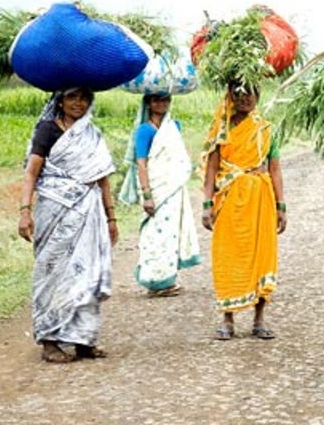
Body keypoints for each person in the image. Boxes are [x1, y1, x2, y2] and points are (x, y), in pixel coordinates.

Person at [17, 87, 117, 363]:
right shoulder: (47, 130)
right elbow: (31, 172)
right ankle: (50, 340)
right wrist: (25, 211)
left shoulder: (91, 135)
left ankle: (84, 340)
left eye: (84, 97)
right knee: (53, 272)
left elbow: (102, 178)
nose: (78, 103)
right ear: (60, 100)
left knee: (86, 274)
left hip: (89, 210)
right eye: (72, 97)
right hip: (54, 210)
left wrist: (111, 217)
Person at [201, 81, 287, 341]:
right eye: (238, 93)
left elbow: (275, 169)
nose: (245, 98)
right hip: (229, 197)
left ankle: (259, 319)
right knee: (228, 254)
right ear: (230, 97)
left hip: (261, 198)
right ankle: (227, 320)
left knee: (262, 254)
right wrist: (207, 205)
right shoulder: (221, 129)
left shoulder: (265, 130)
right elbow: (211, 170)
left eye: (250, 93)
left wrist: (281, 205)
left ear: (258, 96)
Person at [119, 92, 201, 297]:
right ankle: (154, 280)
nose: (161, 103)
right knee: (155, 235)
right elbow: (141, 162)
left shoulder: (174, 127)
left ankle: (167, 279)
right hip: (156, 188)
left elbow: (178, 158)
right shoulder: (144, 130)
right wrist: (146, 194)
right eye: (156, 100)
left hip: (172, 188)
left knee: (170, 234)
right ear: (148, 103)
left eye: (165, 99)